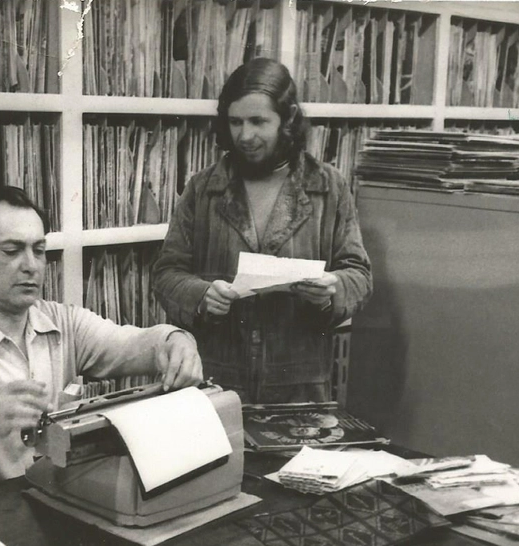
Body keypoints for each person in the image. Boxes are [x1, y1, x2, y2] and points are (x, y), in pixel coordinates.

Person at [0, 186, 204, 497]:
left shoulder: (64, 321)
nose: (31, 265)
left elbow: (130, 344)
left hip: (57, 505)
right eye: (11, 251)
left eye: (38, 250)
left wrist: (174, 340)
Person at [152, 58, 372, 403]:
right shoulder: (204, 188)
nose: (245, 136)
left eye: (258, 121)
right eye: (235, 122)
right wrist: (200, 294)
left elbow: (359, 275)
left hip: (299, 386)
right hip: (216, 381)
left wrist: (333, 289)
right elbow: (166, 273)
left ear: (289, 119)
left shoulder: (328, 187)